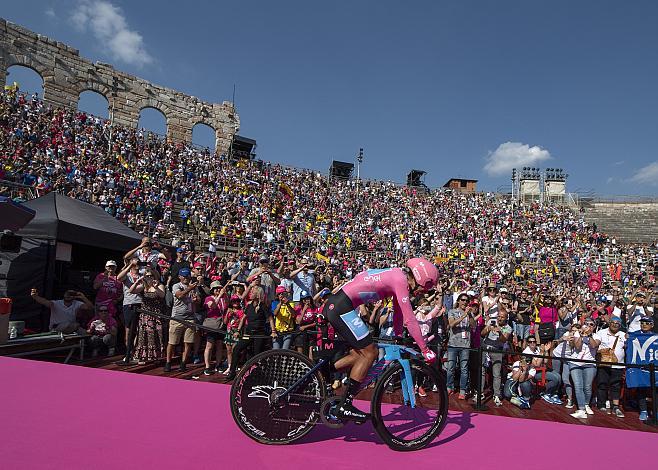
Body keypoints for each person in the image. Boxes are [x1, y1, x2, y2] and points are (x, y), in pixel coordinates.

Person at [320, 258, 439, 422]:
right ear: (419, 279)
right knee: (371, 352)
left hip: (340, 304)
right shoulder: (400, 281)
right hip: (342, 306)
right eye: (424, 289)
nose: (422, 293)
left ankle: (322, 372)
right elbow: (410, 319)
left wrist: (398, 336)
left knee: (359, 355)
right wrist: (425, 349)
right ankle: (345, 404)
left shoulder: (398, 277)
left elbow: (399, 313)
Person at [226, 285, 272, 379]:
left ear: (257, 294)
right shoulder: (249, 305)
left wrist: (273, 331)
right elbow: (243, 318)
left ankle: (258, 375)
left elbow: (270, 318)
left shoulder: (263, 306)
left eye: (252, 292)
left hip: (259, 334)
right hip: (248, 333)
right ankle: (232, 372)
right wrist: (238, 330)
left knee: (257, 354)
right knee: (237, 349)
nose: (250, 293)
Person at [165, 268, 200, 372]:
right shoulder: (176, 285)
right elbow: (179, 295)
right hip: (177, 318)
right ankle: (168, 362)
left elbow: (199, 300)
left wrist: (196, 299)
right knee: (172, 342)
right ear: (180, 277)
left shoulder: (194, 287)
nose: (186, 278)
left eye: (187, 276)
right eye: (184, 276)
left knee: (188, 342)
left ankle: (183, 363)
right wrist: (189, 289)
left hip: (190, 318)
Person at [130, 268, 165, 364]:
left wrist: (156, 287)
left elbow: (162, 295)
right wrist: (137, 281)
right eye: (147, 276)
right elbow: (131, 291)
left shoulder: (159, 285)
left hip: (156, 315)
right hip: (144, 316)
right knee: (143, 336)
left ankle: (154, 356)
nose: (149, 277)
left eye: (151, 275)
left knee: (155, 336)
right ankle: (142, 356)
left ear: (154, 276)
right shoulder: (143, 286)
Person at [593, 315, 626, 417]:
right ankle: (601, 404)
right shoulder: (601, 332)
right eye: (612, 322)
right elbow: (595, 343)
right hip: (604, 363)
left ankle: (615, 406)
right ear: (609, 323)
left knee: (616, 385)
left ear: (620, 325)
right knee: (602, 383)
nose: (614, 325)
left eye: (617, 323)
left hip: (618, 364)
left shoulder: (624, 335)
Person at [446, 294, 477, 399]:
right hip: (453, 344)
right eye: (462, 300)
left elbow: (474, 326)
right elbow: (451, 324)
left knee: (464, 368)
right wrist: (463, 316)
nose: (464, 302)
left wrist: (469, 315)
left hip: (465, 345)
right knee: (451, 367)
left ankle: (463, 390)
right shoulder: (452, 311)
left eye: (466, 300)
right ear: (458, 301)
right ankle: (449, 386)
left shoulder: (470, 313)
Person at [480, 308, 512, 406]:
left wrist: (499, 332)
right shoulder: (491, 321)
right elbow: (482, 334)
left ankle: (496, 394)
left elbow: (503, 340)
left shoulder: (508, 328)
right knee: (482, 370)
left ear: (506, 318)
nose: (499, 318)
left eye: (502, 317)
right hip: (486, 347)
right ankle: (480, 392)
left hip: (497, 349)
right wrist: (487, 329)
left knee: (496, 373)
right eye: (499, 316)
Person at [568, 319, 599, 419]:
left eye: (591, 325)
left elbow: (594, 345)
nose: (588, 326)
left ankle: (586, 404)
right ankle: (581, 409)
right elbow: (577, 347)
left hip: (589, 364)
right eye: (586, 324)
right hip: (575, 362)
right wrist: (581, 335)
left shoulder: (597, 335)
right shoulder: (577, 333)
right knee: (578, 385)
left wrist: (589, 335)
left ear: (594, 327)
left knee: (587, 386)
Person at [117, 258, 143, 364]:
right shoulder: (127, 275)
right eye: (135, 262)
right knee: (128, 330)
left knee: (138, 330)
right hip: (129, 304)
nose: (137, 264)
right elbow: (118, 277)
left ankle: (135, 353)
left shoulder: (142, 274)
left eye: (138, 262)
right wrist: (129, 265)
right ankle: (128, 353)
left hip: (141, 303)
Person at [523, 338, 562, 404]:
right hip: (533, 373)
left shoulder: (537, 349)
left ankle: (553, 393)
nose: (532, 343)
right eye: (530, 342)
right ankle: (546, 393)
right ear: (528, 343)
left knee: (558, 376)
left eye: (534, 342)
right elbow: (536, 365)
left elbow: (546, 361)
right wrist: (541, 352)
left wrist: (546, 351)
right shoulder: (526, 352)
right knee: (554, 378)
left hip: (541, 370)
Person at [202, 280, 228, 375]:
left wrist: (224, 296)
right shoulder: (208, 298)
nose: (218, 290)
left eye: (219, 288)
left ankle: (218, 364)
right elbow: (212, 306)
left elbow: (227, 306)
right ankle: (207, 366)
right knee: (209, 345)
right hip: (212, 323)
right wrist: (219, 296)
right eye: (216, 288)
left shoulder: (223, 299)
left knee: (220, 345)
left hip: (221, 324)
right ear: (212, 290)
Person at [636, 315, 655, 422]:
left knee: (655, 390)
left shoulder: (655, 336)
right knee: (641, 389)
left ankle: (655, 410)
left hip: (653, 367)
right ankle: (643, 410)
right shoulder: (635, 335)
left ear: (652, 325)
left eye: (647, 323)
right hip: (640, 367)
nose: (644, 325)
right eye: (642, 322)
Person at [222, 295, 244, 376]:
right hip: (229, 331)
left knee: (235, 350)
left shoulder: (241, 311)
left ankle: (234, 366)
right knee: (229, 350)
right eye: (234, 301)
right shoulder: (229, 310)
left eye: (237, 301)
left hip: (236, 331)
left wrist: (235, 315)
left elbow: (242, 322)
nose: (236, 303)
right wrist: (228, 313)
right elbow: (225, 322)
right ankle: (229, 366)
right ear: (231, 302)